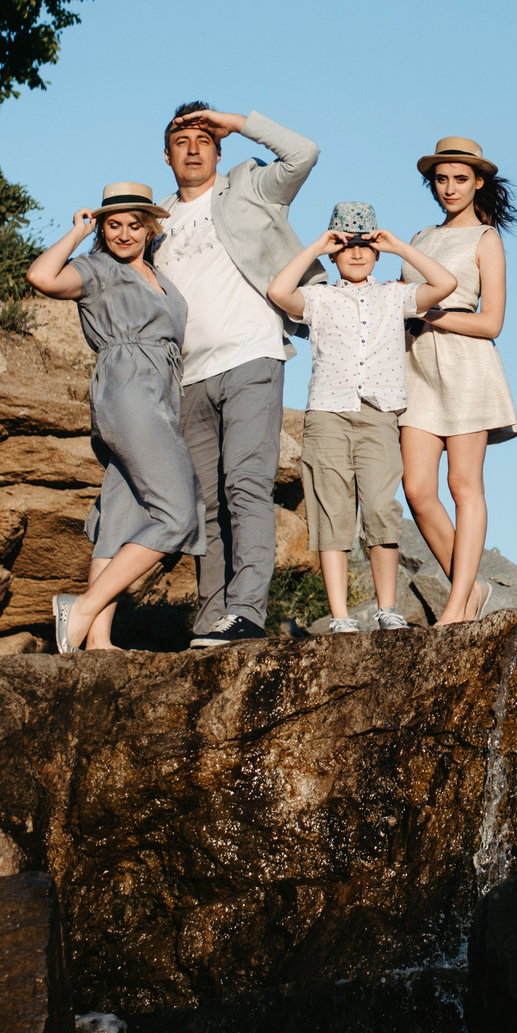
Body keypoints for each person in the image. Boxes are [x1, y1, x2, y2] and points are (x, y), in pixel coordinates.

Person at [159, 101, 321, 648]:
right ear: (166, 156)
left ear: (220, 149)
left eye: (205, 139)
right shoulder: (154, 223)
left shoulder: (249, 187)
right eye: (182, 141)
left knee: (245, 486)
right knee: (204, 504)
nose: (194, 147)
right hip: (187, 377)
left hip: (251, 355)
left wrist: (236, 120)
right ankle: (211, 621)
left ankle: (247, 610)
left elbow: (304, 153)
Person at [23, 183, 205, 653]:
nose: (123, 234)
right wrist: (77, 232)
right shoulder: (97, 268)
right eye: (112, 225)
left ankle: (98, 640)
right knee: (179, 515)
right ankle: (82, 608)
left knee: (122, 515)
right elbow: (42, 276)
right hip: (128, 390)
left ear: (149, 228)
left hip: (159, 393)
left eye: (133, 225)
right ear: (102, 229)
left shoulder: (158, 275)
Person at [265, 204, 459, 634]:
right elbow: (279, 292)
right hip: (328, 413)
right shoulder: (319, 297)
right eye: (346, 246)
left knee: (379, 508)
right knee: (331, 511)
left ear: (376, 251)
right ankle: (340, 616)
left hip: (379, 414)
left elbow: (446, 283)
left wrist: (397, 246)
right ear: (334, 253)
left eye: (365, 245)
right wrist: (317, 244)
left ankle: (386, 609)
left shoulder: (395, 294)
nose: (356, 253)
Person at [397, 137, 517, 627]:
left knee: (463, 484)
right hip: (417, 365)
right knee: (418, 490)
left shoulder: (486, 240)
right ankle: (472, 588)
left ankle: (456, 606)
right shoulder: (422, 235)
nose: (449, 188)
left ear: (479, 182)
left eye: (460, 179)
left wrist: (432, 314)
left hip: (467, 363)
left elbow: (492, 322)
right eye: (441, 179)